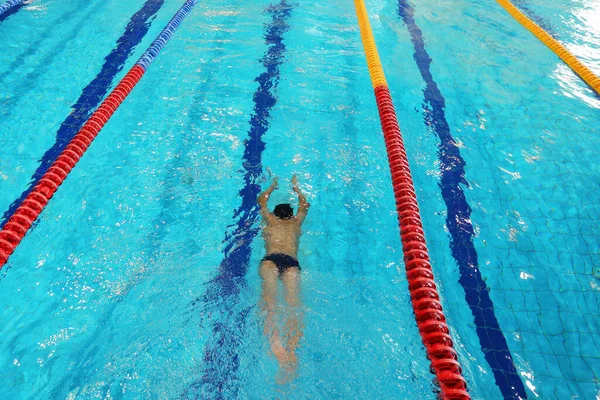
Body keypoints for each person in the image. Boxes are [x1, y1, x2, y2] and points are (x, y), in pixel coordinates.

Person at [257, 174, 310, 375]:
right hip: (291, 264)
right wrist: (296, 188)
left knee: (269, 302)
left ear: (276, 214)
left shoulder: (269, 220)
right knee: (294, 304)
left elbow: (261, 201)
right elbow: (305, 205)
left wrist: (272, 186)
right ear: (290, 215)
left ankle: (275, 344)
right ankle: (292, 351)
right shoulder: (296, 223)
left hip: (271, 260)